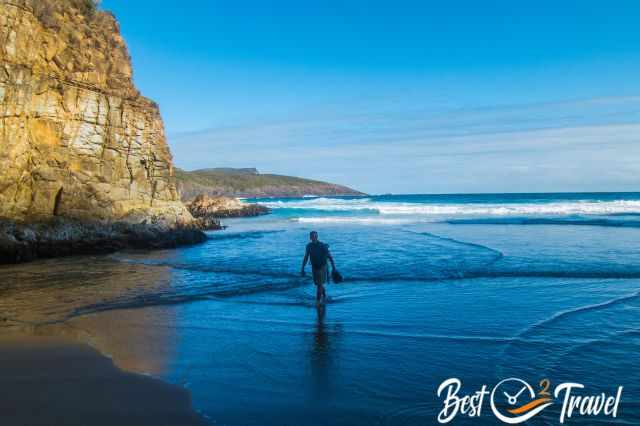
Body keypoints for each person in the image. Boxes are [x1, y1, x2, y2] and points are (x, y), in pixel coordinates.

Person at [301, 231, 336, 304]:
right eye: (312, 236)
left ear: (317, 237)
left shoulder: (322, 245)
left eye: (315, 236)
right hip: (314, 267)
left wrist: (334, 268)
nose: (314, 238)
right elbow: (306, 257)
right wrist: (302, 268)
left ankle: (318, 301)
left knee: (319, 285)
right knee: (318, 284)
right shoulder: (308, 246)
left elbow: (330, 257)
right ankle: (324, 296)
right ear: (310, 237)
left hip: (322, 267)